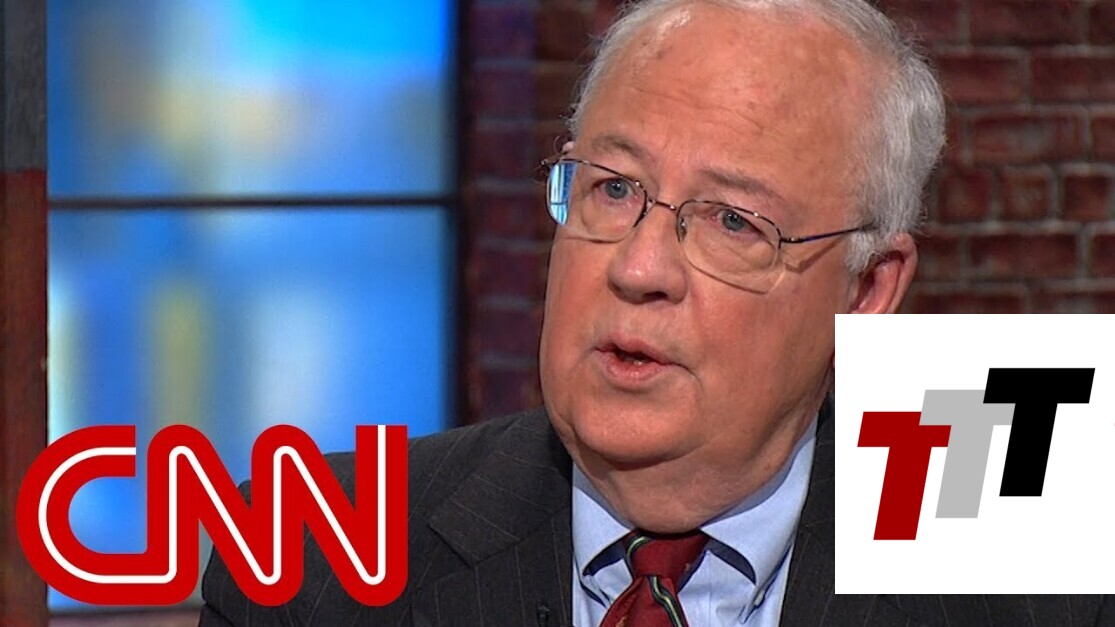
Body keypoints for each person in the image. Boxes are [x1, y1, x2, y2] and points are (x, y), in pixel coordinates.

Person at [199, 0, 1112, 625]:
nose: (638, 268)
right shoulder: (308, 551)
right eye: (611, 188)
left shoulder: (1050, 576)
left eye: (732, 221)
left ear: (867, 288)